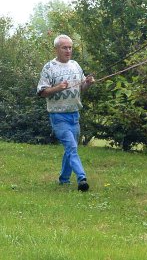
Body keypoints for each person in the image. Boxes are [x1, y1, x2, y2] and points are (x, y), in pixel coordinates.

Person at [37, 34, 95, 192]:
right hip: (58, 116)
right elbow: (42, 92)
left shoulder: (76, 65)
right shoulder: (49, 67)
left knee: (71, 148)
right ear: (56, 49)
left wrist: (88, 83)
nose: (68, 50)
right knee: (71, 147)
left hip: (74, 114)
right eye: (64, 47)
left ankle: (63, 179)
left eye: (70, 47)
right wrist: (57, 88)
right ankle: (82, 178)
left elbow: (81, 88)